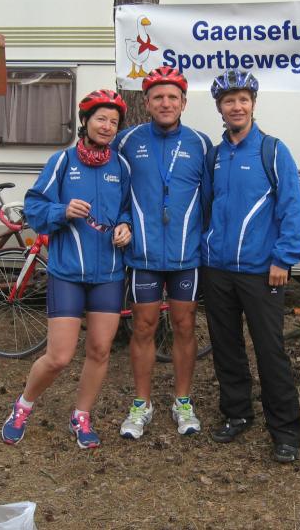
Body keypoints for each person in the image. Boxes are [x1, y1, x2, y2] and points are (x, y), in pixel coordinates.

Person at [1, 89, 132, 450]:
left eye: (114, 122)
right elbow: (33, 208)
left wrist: (126, 226)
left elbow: (126, 208)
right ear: (85, 121)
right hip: (68, 273)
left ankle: (81, 416)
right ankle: (23, 406)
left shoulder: (121, 167)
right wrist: (61, 211)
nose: (107, 126)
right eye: (101, 119)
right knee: (59, 357)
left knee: (100, 350)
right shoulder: (62, 161)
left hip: (109, 273)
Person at [201, 69, 300, 463]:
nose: (237, 107)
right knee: (226, 347)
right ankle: (237, 414)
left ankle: (286, 430)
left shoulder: (273, 150)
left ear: (253, 104)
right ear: (220, 108)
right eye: (229, 101)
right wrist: (203, 250)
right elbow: (207, 208)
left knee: (269, 350)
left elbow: (292, 206)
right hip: (217, 268)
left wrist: (284, 258)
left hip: (262, 270)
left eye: (243, 100)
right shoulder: (215, 155)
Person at [113, 66, 212, 439]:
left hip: (186, 256)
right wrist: (123, 221)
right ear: (146, 102)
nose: (165, 103)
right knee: (143, 327)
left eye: (173, 97)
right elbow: (115, 191)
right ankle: (142, 404)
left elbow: (211, 199)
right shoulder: (126, 141)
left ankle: (182, 401)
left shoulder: (201, 144)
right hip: (145, 256)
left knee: (185, 325)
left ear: (184, 102)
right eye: (158, 97)